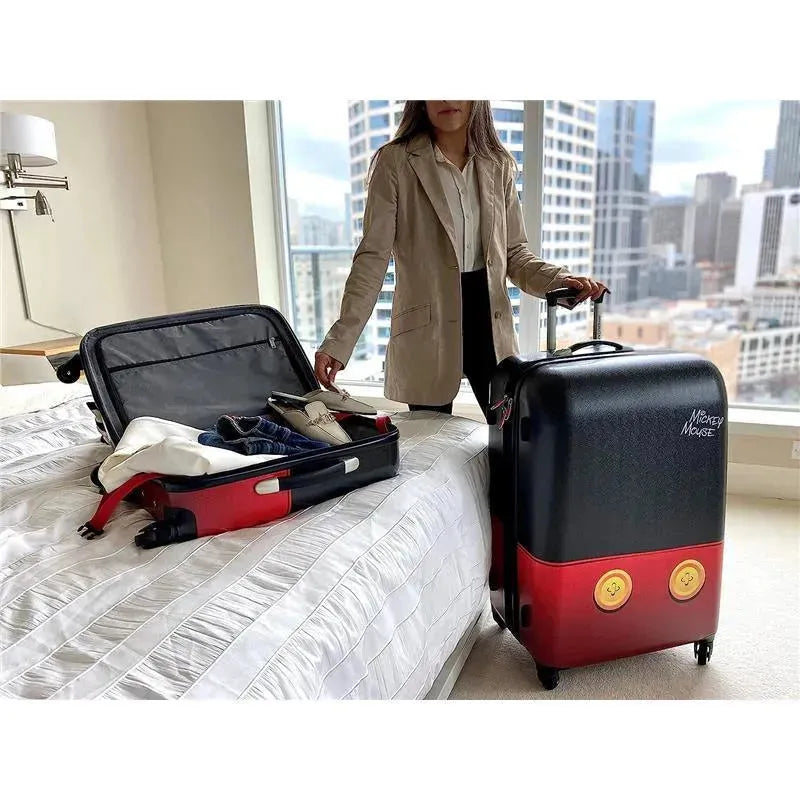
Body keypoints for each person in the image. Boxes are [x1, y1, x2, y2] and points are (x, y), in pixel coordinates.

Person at [314, 100, 607, 420]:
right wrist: (340, 341)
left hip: (489, 323)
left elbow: (514, 254)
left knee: (511, 438)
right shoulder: (395, 161)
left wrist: (560, 281)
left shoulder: (498, 164)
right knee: (430, 441)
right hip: (427, 329)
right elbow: (372, 258)